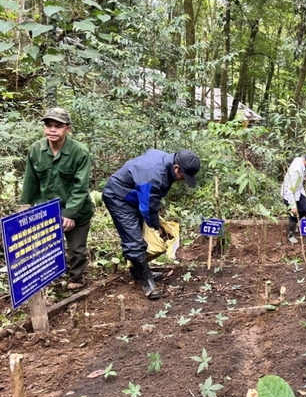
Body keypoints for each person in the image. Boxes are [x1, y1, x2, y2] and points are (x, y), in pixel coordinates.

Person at [103, 149, 201, 300]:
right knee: (134, 240)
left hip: (133, 195)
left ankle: (138, 271)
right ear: (176, 168)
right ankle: (147, 282)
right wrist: (157, 227)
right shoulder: (154, 176)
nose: (183, 180)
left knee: (140, 234)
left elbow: (149, 201)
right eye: (183, 176)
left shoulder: (165, 162)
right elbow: (148, 207)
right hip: (119, 197)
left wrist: (155, 222)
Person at [20, 107, 95, 290]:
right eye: (48, 125)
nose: (52, 130)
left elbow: (81, 187)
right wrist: (24, 206)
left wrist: (70, 214)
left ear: (67, 129)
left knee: (76, 249)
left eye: (58, 126)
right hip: (47, 209)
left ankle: (76, 280)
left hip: (77, 210)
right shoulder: (36, 149)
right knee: (45, 247)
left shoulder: (80, 152)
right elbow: (30, 180)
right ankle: (48, 279)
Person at [281, 152, 306, 244]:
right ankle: (291, 233)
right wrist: (293, 205)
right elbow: (290, 188)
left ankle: (296, 223)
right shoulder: (296, 171)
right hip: (289, 193)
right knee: (293, 214)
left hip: (298, 190)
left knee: (304, 209)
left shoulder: (300, 160)